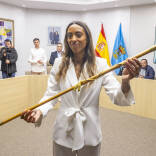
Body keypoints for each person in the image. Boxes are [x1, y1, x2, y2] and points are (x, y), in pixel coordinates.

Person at [21, 21, 141, 156]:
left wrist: (125, 82)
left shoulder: (100, 64)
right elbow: (51, 94)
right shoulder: (59, 63)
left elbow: (117, 96)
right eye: (69, 36)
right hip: (63, 130)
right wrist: (40, 111)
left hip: (90, 130)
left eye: (78, 35)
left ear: (87, 38)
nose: (73, 39)